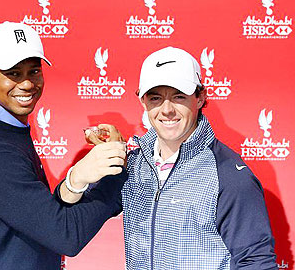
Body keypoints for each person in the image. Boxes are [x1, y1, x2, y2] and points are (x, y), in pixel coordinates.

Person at [81, 47, 278, 269]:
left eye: (178, 97)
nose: (167, 110)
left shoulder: (228, 174)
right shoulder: (133, 165)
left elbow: (255, 262)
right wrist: (82, 174)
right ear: (142, 101)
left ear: (201, 97)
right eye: (156, 98)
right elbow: (72, 223)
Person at [0, 21, 126, 270]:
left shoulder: (3, 130)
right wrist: (117, 176)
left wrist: (74, 182)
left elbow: (39, 217)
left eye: (33, 71)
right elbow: (65, 236)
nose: (26, 84)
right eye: (13, 73)